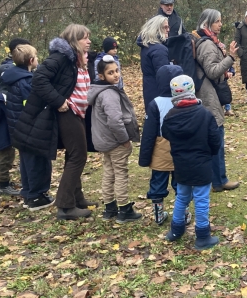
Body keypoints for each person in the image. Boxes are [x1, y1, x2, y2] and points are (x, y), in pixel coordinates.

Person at [13, 25, 98, 219]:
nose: (89, 41)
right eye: (84, 38)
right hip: (66, 112)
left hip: (79, 112)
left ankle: (76, 198)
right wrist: (59, 101)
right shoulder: (60, 58)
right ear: (74, 40)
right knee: (78, 155)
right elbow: (39, 80)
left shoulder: (77, 58)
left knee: (74, 154)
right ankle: (65, 206)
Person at [162, 74, 221, 250]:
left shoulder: (170, 116)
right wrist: (210, 153)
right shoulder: (204, 114)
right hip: (201, 164)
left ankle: (176, 230)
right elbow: (215, 139)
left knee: (182, 197)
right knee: (201, 200)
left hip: (181, 164)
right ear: (193, 90)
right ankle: (202, 236)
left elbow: (166, 134)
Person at [89, 55, 142, 223]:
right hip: (115, 141)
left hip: (104, 141)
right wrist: (124, 139)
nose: (116, 75)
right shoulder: (109, 94)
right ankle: (124, 208)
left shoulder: (100, 91)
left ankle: (109, 207)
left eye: (117, 70)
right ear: (101, 76)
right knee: (120, 173)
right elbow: (114, 120)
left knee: (109, 172)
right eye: (110, 73)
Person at [193, 9, 240, 192]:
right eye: (217, 21)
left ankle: (213, 179)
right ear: (207, 23)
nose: (220, 24)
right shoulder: (206, 44)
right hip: (207, 96)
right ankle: (219, 181)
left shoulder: (207, 41)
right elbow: (212, 71)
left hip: (207, 93)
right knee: (216, 136)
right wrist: (231, 58)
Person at [139, 64, 189, 225]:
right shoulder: (186, 101)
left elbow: (149, 133)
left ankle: (158, 214)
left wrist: (144, 158)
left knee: (158, 182)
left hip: (160, 149)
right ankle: (183, 213)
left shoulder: (155, 103)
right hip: (182, 148)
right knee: (181, 183)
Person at [0, 45, 39, 200]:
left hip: (17, 127)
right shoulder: (26, 81)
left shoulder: (13, 78)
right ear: (31, 61)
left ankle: (28, 190)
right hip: (27, 127)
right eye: (36, 56)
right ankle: (34, 194)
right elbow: (30, 105)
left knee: (24, 159)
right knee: (32, 161)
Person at [138, 16, 171, 107]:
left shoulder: (147, 46)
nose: (168, 30)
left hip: (149, 88)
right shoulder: (159, 49)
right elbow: (164, 76)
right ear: (156, 29)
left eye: (168, 27)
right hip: (159, 92)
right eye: (165, 27)